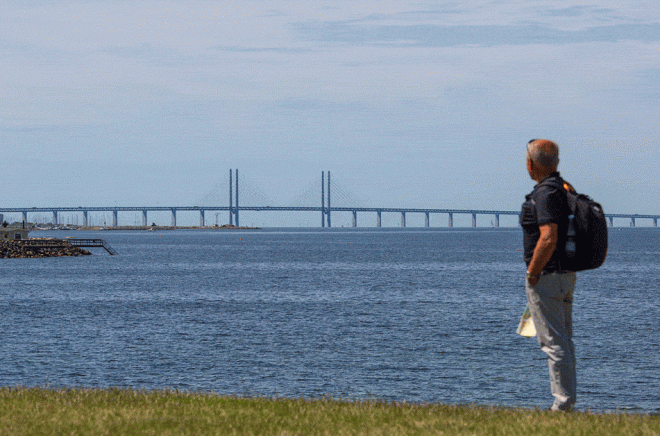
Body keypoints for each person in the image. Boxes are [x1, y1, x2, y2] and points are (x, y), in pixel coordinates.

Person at [520, 139, 577, 411]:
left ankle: (562, 406)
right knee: (564, 341)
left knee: (554, 344)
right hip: (565, 275)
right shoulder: (564, 188)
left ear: (531, 164)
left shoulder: (544, 193)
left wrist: (532, 273)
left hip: (548, 276)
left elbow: (548, 236)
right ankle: (567, 403)